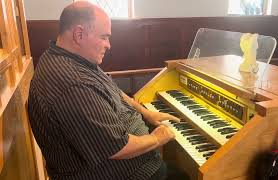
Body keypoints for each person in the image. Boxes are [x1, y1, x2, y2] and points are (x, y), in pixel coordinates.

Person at [28, 1, 188, 180]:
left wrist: (146, 113)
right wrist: (158, 138)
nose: (108, 45)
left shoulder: (70, 58)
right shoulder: (73, 84)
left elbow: (112, 90)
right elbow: (117, 147)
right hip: (121, 173)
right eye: (104, 37)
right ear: (79, 34)